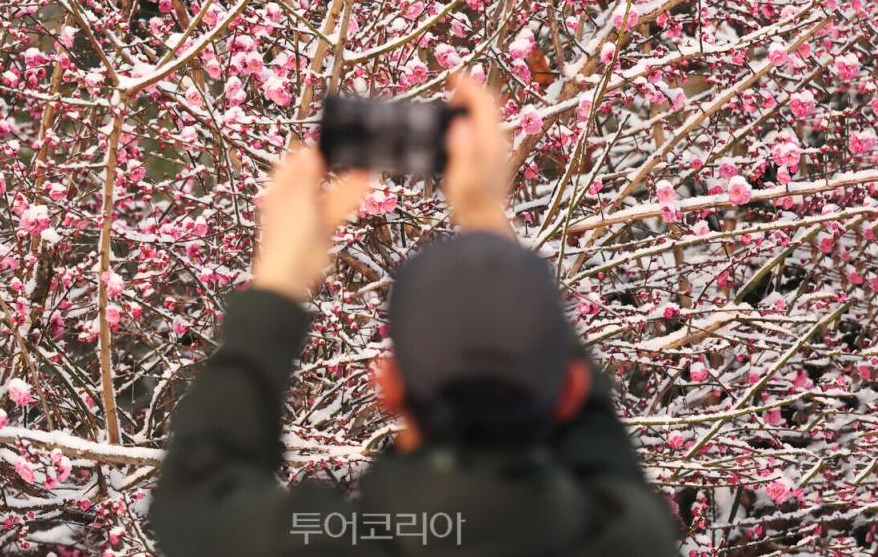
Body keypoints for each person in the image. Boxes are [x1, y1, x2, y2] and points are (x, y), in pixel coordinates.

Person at [151, 77, 678, 556]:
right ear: (567, 388)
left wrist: (279, 280)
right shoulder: (628, 538)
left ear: (389, 386)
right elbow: (597, 443)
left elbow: (197, 501)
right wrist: (485, 219)